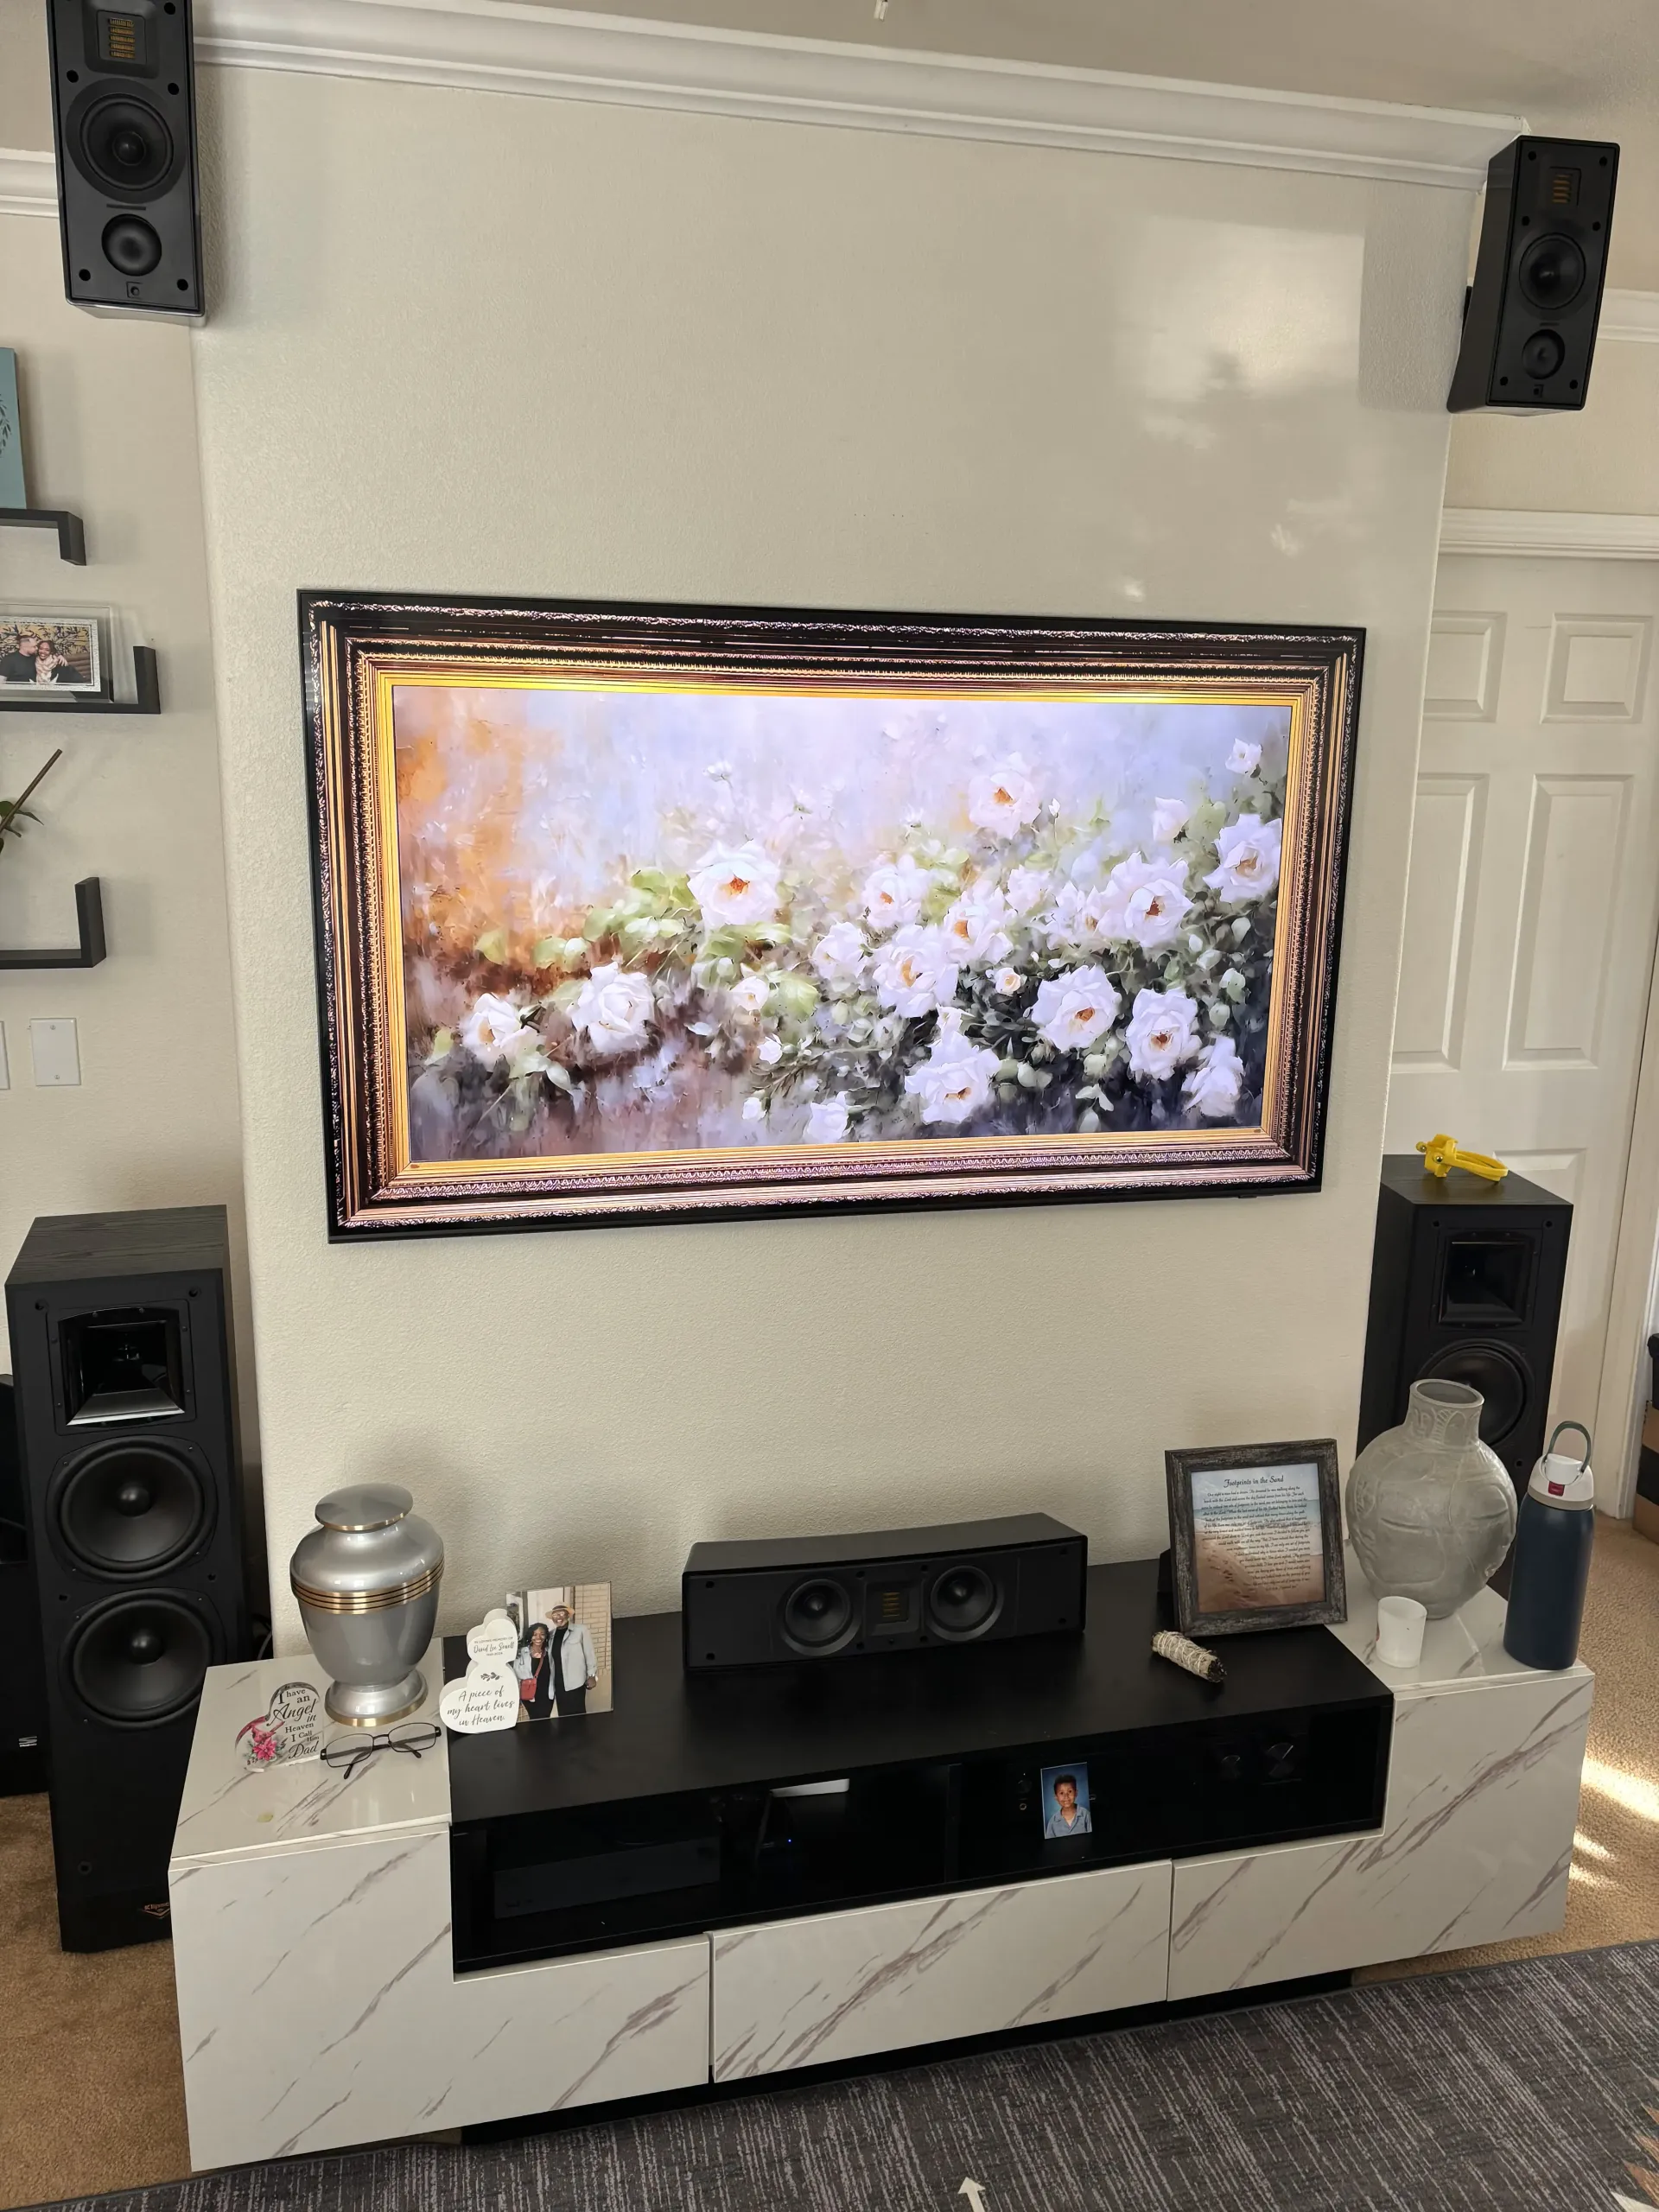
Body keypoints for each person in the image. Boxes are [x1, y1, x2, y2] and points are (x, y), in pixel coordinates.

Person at [546, 1601, 598, 1717]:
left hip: (576, 1682)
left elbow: (589, 1653)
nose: (558, 1618)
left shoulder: (581, 1630)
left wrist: (592, 1675)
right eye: (555, 1615)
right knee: (563, 1716)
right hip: (559, 1683)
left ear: (568, 1615)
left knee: (578, 1715)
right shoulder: (551, 1635)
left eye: (561, 1614)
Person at [513, 1620, 555, 1720]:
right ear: (530, 1636)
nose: (538, 1638)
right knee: (534, 1719)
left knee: (545, 1719)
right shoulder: (522, 1653)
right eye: (535, 1634)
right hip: (529, 1693)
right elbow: (516, 1674)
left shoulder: (550, 1652)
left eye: (542, 1634)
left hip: (547, 1694)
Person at [1044, 1773, 1091, 1839]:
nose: (1066, 1796)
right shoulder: (1052, 1823)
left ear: (1076, 1793)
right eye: (1061, 1793)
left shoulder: (1086, 1815)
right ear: (1056, 1797)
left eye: (1070, 1791)